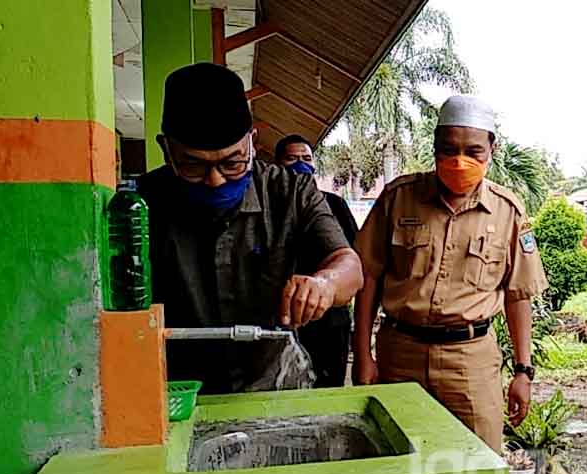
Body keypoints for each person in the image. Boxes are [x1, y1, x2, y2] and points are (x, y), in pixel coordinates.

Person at [136, 63, 363, 394]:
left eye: (232, 162)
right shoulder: (143, 203)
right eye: (193, 165)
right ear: (165, 148)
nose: (215, 180)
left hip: (272, 386)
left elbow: (350, 267)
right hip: (177, 393)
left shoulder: (290, 192)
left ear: (252, 142)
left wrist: (324, 284)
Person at [352, 95, 548, 452]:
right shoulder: (398, 198)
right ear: (434, 147)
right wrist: (363, 355)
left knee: (475, 466)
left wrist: (523, 371)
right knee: (395, 458)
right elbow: (367, 279)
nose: (460, 161)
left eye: (473, 151)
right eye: (449, 149)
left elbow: (518, 295)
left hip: (470, 361)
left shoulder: (509, 212)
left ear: (492, 150)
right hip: (400, 355)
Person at [274, 134, 359, 388]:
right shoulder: (268, 206)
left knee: (328, 387)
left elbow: (354, 258)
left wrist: (329, 283)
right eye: (292, 159)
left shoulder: (333, 203)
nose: (300, 165)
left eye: (306, 159)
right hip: (283, 317)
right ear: (276, 164)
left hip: (330, 318)